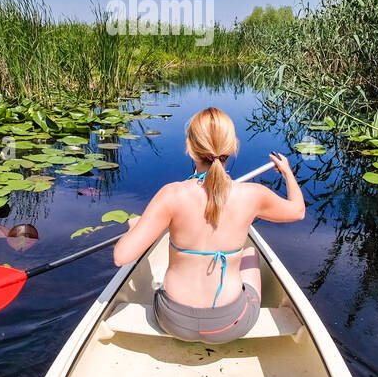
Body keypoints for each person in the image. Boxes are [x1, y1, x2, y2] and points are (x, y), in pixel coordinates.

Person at [112, 106, 305, 344]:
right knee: (251, 252)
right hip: (229, 324)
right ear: (232, 147)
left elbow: (121, 257)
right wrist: (287, 172)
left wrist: (135, 228)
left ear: (190, 149)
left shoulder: (171, 194)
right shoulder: (253, 195)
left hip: (172, 321)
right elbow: (297, 211)